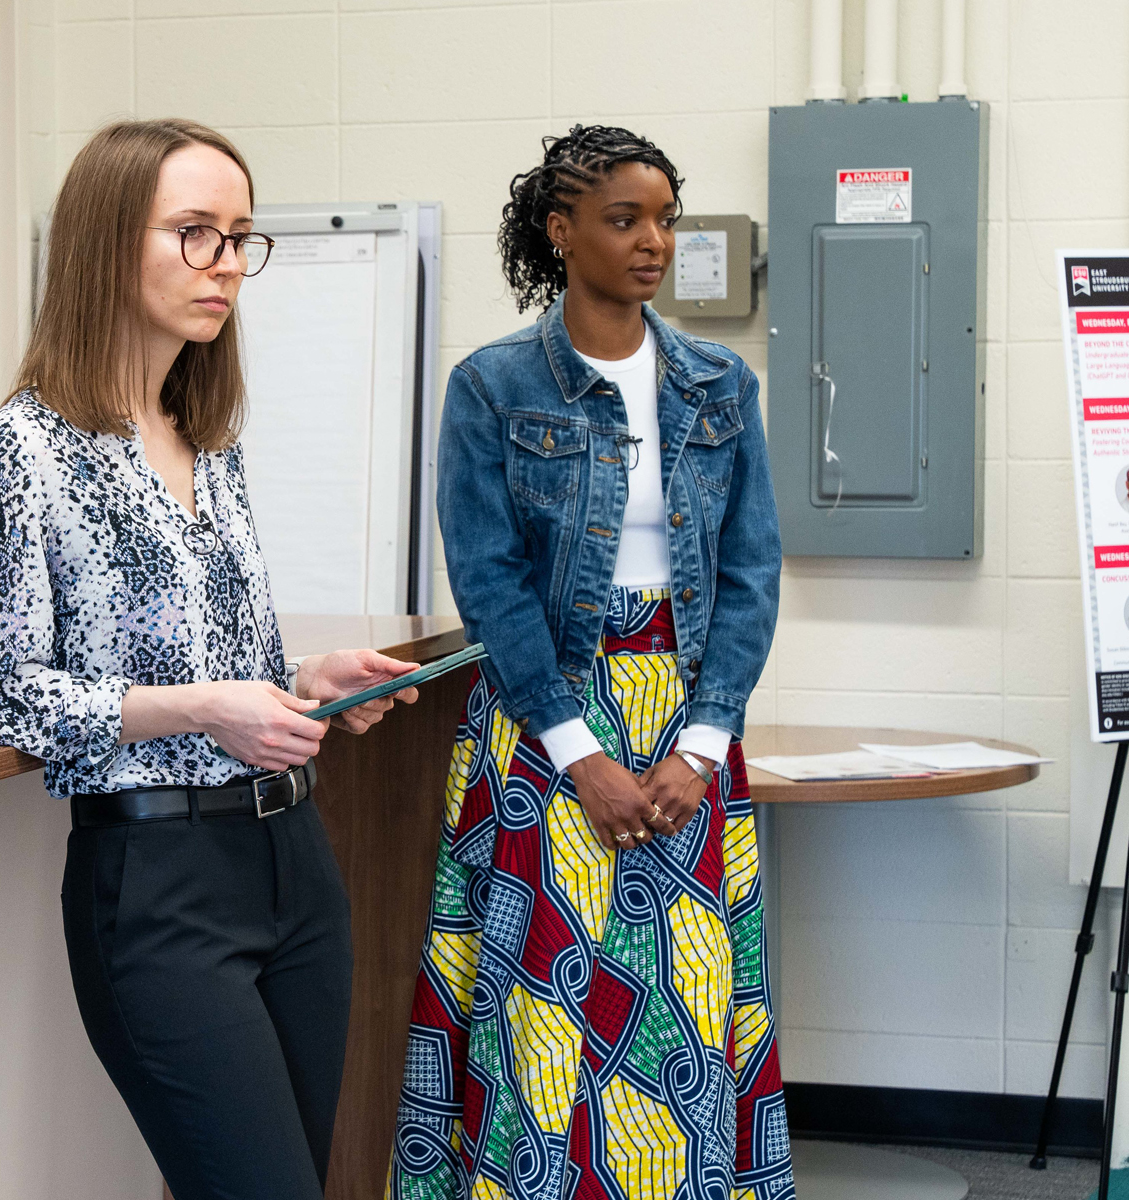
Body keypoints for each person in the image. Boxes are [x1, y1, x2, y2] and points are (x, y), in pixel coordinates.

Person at [0, 118, 421, 1200]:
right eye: (195, 233)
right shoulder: (24, 451)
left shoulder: (206, 437)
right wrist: (201, 708)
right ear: (108, 242)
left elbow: (220, 662)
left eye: (240, 238)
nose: (225, 265)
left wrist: (303, 687)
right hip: (158, 881)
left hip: (294, 863)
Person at [388, 126, 794, 1200]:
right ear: (560, 231)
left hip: (686, 725)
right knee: (541, 1005)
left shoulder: (720, 383)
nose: (653, 241)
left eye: (664, 219)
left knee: (687, 1006)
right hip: (544, 725)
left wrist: (701, 746)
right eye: (624, 219)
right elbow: (489, 584)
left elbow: (751, 570)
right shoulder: (492, 386)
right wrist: (579, 754)